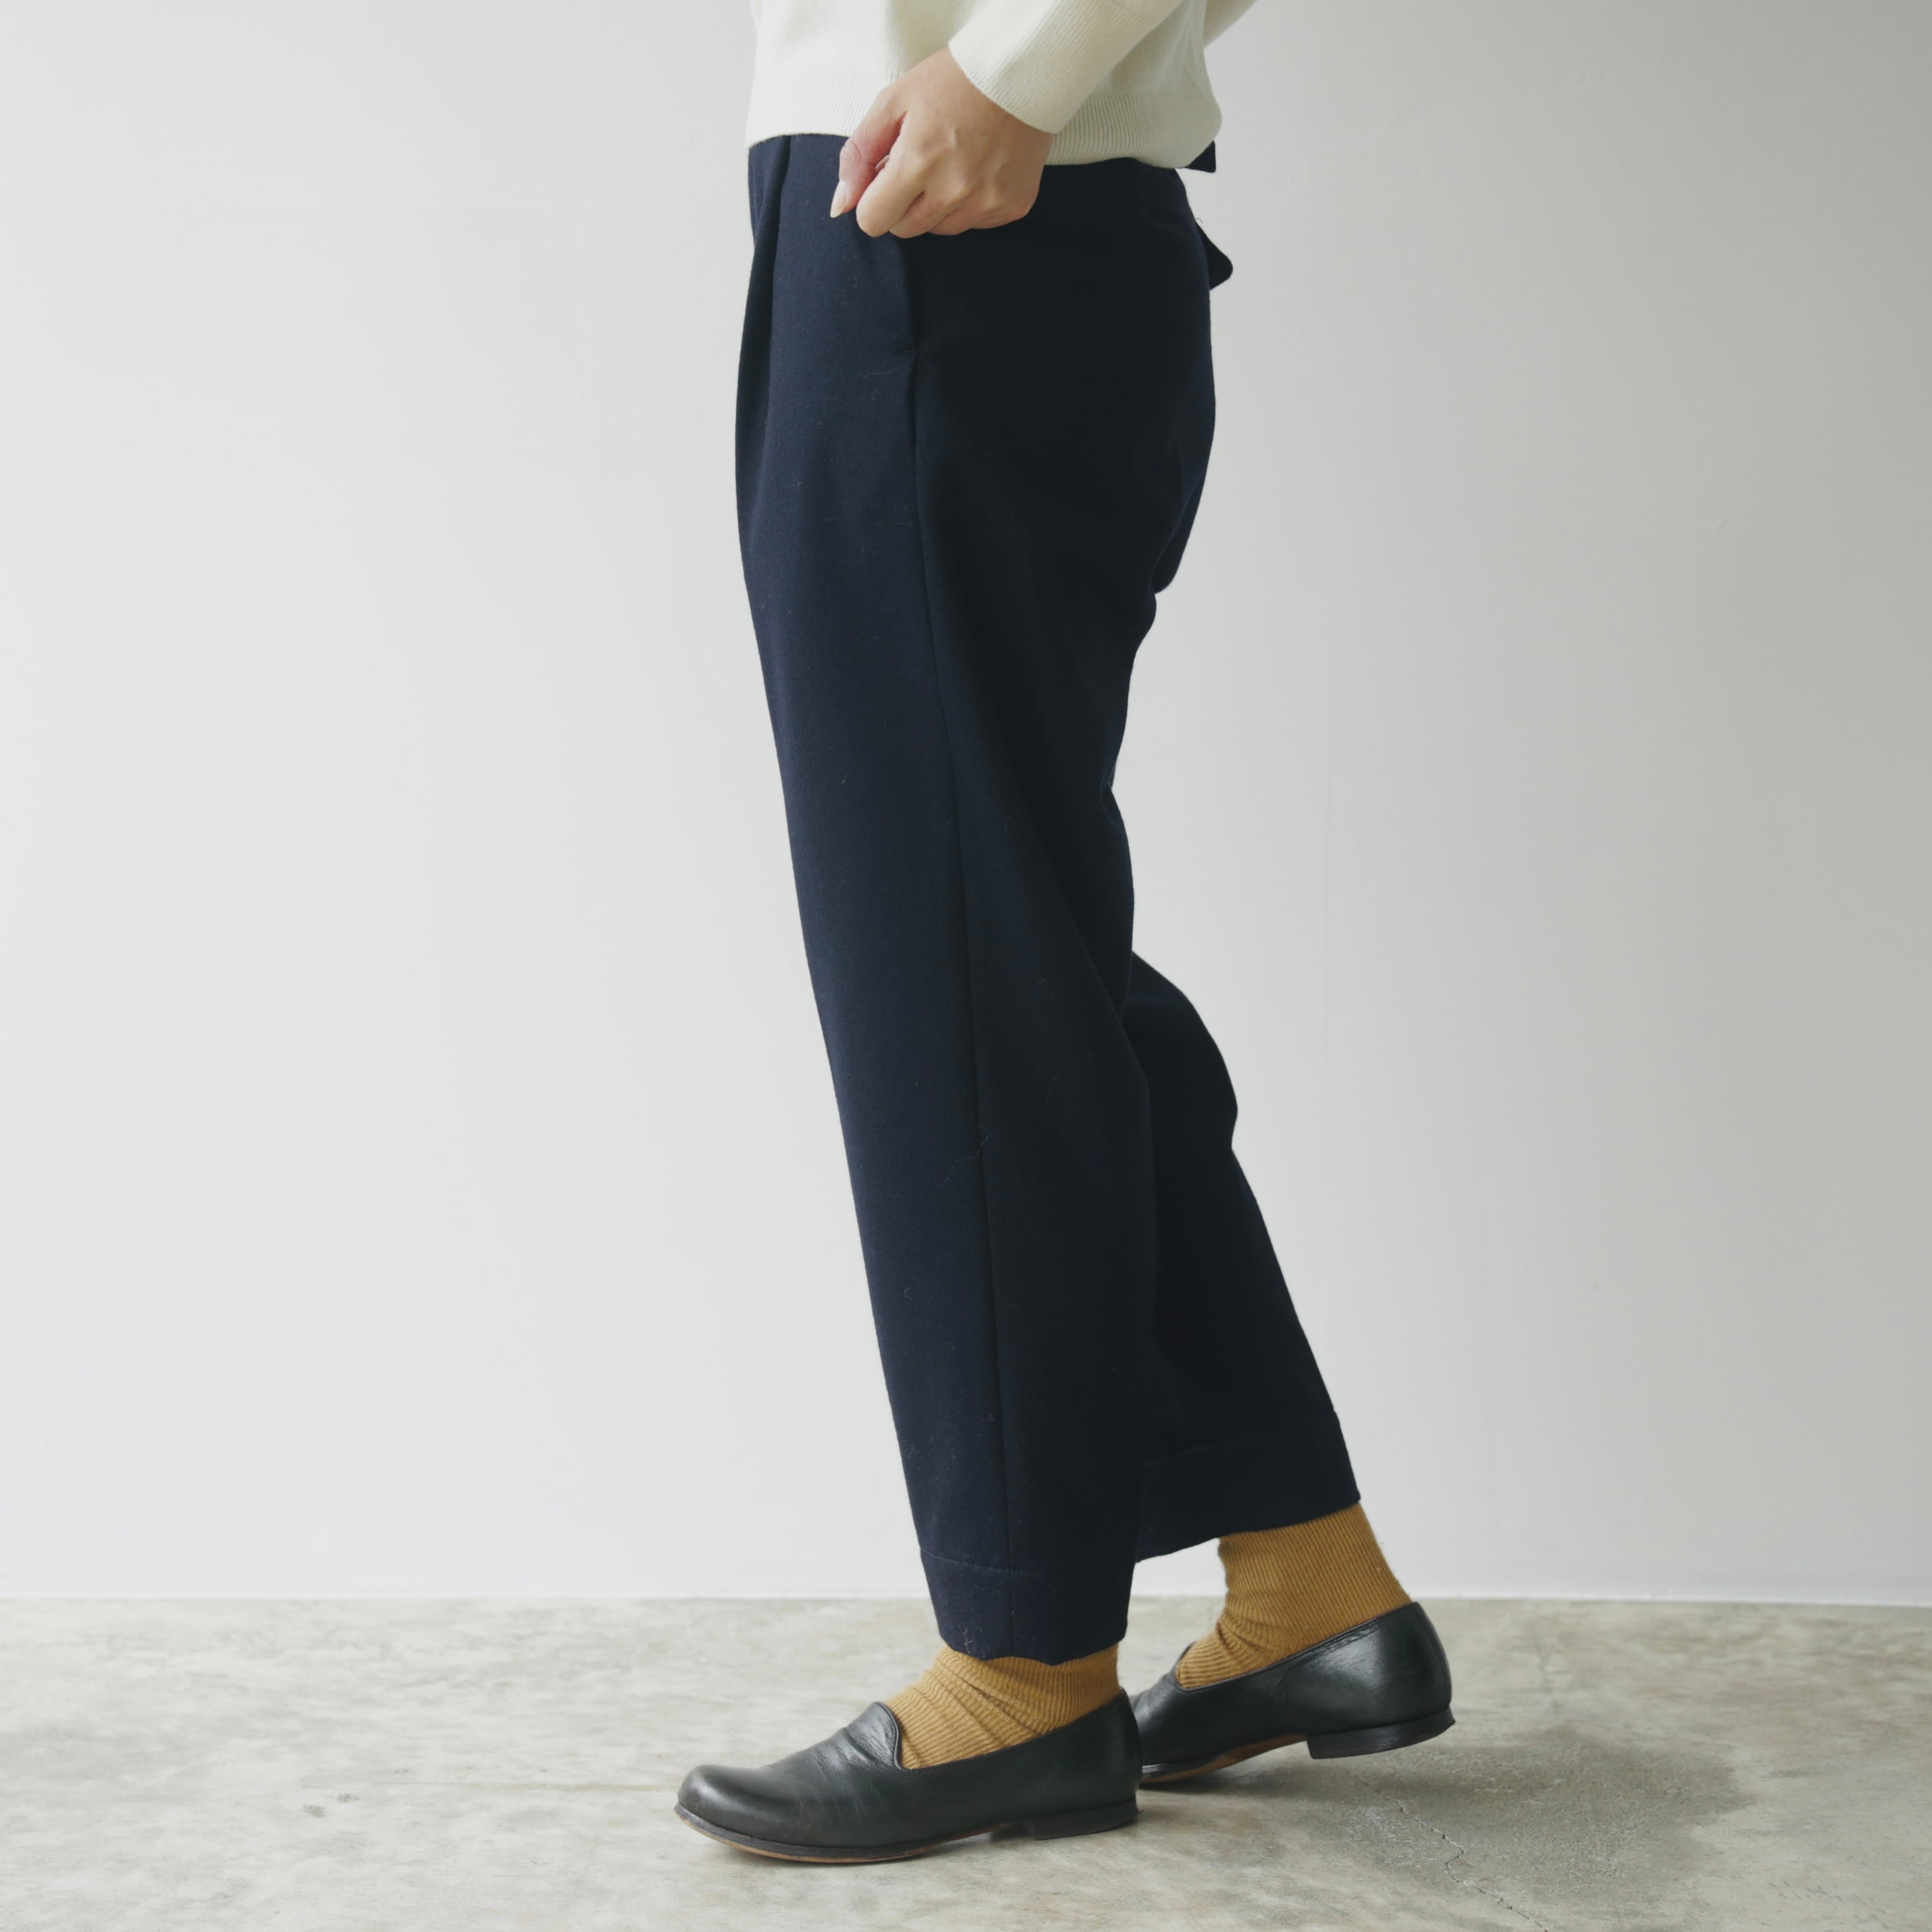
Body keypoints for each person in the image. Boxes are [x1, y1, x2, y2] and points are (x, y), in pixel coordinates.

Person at [676, 0, 1453, 1863]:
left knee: (951, 960)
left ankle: (1026, 1666)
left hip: (954, 206)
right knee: (1010, 944)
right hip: (957, 205)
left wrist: (1010, 71)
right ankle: (1309, 1576)